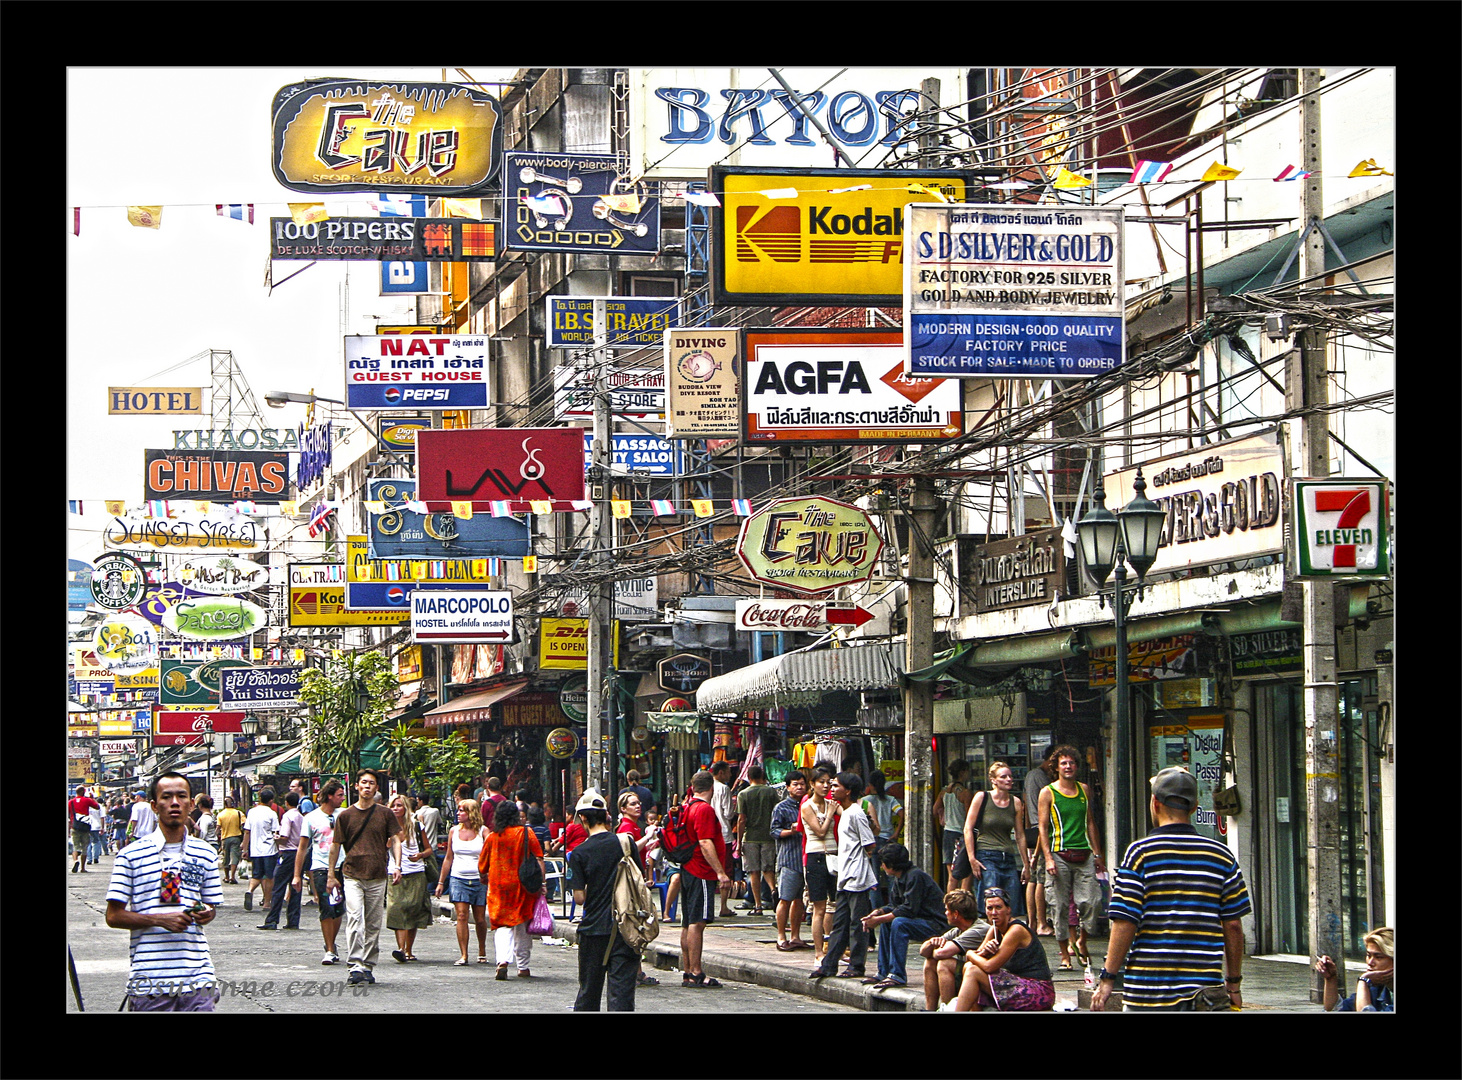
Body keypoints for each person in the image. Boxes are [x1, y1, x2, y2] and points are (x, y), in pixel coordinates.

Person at [1092, 766, 1251, 1012]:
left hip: (1148, 992)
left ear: (1154, 803)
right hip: (1204, 995)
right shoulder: (1221, 856)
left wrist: (1107, 978)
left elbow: (1125, 922)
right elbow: (1233, 925)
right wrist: (1233, 986)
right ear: (1195, 807)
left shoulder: (1140, 854)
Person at [104, 771, 223, 1011]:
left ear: (191, 804)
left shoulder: (205, 853)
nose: (175, 803)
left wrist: (206, 913)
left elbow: (211, 908)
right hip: (150, 981)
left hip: (197, 978)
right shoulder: (130, 855)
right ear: (154, 806)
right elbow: (113, 916)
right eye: (166, 797)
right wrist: (160, 919)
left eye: (181, 796)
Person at [327, 769, 403, 985]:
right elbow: (335, 846)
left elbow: (395, 840)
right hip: (352, 875)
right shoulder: (345, 815)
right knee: (354, 919)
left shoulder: (385, 814)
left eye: (371, 783)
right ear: (356, 787)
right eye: (364, 783)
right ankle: (355, 965)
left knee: (373, 923)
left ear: (376, 788)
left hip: (378, 875)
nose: (367, 786)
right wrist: (331, 875)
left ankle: (368, 965)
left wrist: (397, 865)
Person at [569, 790, 639, 1011]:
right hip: (625, 928)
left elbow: (579, 898)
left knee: (589, 992)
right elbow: (637, 881)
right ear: (606, 815)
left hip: (594, 931)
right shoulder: (626, 843)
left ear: (583, 818)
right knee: (621, 995)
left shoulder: (579, 853)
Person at [1037, 745, 1105, 971]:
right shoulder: (1048, 792)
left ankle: (1082, 941)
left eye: (1072, 763)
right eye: (1063, 763)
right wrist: (1047, 858)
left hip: (1084, 854)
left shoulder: (1084, 789)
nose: (1068, 767)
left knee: (1092, 901)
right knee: (1059, 905)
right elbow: (1043, 827)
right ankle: (1064, 954)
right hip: (1059, 854)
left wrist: (1097, 853)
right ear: (1056, 767)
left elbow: (1090, 822)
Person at [810, 771, 879, 981]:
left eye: (836, 786)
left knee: (857, 923)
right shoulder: (846, 812)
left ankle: (857, 965)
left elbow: (870, 844)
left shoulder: (856, 813)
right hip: (845, 876)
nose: (831, 789)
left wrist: (860, 866)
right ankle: (829, 964)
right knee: (840, 923)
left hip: (857, 877)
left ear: (847, 791)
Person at [861, 841, 947, 989]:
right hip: (919, 920)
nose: (882, 866)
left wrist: (879, 920)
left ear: (891, 865)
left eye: (883, 863)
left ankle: (897, 974)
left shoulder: (915, 876)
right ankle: (884, 971)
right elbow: (893, 906)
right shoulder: (899, 879)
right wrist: (878, 913)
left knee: (898, 923)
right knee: (889, 922)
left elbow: (908, 909)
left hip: (935, 924)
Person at [954, 886, 1055, 1011]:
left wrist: (969, 953)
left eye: (998, 907)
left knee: (973, 971)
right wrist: (984, 952)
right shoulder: (994, 929)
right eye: (990, 908)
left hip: (1038, 990)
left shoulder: (1016, 930)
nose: (994, 913)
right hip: (1015, 983)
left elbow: (989, 966)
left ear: (1008, 910)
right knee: (968, 967)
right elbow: (974, 961)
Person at [480, 797, 546, 979]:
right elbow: (539, 858)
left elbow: (482, 866)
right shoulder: (526, 833)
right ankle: (523, 967)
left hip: (498, 887)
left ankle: (502, 960)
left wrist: (484, 877)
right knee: (523, 924)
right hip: (523, 885)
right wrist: (542, 884)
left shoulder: (492, 838)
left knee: (502, 925)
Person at [678, 770, 731, 988]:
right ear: (712, 788)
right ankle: (696, 971)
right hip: (701, 870)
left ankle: (688, 970)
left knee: (688, 921)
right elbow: (705, 842)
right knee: (697, 922)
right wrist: (720, 872)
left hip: (689, 869)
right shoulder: (704, 810)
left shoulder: (687, 807)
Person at [966, 761, 1031, 918]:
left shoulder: (1015, 802)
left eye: (1010, 776)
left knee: (1012, 903)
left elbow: (1020, 834)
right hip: (987, 855)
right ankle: (988, 937)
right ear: (993, 780)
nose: (1009, 779)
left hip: (1007, 856)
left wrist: (1026, 864)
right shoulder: (982, 797)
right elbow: (968, 828)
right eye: (1004, 776)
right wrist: (972, 858)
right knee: (991, 900)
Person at [293, 779, 347, 965]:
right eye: (339, 795)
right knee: (326, 906)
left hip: (342, 866)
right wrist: (297, 874)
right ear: (330, 796)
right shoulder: (311, 818)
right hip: (320, 867)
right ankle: (330, 948)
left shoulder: (344, 815)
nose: (342, 798)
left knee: (339, 908)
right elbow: (302, 847)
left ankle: (331, 942)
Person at [434, 798, 489, 966]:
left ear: (471, 813)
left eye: (462, 811)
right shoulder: (453, 831)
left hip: (479, 879)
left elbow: (491, 855)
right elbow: (449, 858)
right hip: (459, 878)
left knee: (480, 918)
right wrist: (441, 882)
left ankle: (481, 949)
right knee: (462, 916)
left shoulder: (483, 832)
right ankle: (464, 954)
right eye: (458, 810)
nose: (458, 814)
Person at [615, 790, 660, 987]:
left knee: (637, 920)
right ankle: (635, 970)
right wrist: (648, 836)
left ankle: (637, 970)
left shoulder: (633, 826)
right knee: (635, 921)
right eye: (633, 804)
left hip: (637, 878)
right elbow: (628, 849)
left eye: (638, 803)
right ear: (623, 808)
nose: (638, 806)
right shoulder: (626, 827)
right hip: (630, 881)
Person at [919, 889, 989, 1012]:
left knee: (944, 963)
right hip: (967, 974)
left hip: (981, 979)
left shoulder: (978, 930)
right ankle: (930, 1010)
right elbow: (923, 952)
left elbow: (941, 953)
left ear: (956, 914)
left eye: (947, 910)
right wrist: (931, 942)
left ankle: (947, 1009)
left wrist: (935, 950)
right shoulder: (957, 930)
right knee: (930, 962)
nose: (945, 913)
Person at [800, 766, 840, 964]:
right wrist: (831, 813)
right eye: (821, 782)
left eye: (828, 782)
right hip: (816, 857)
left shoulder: (831, 803)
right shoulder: (807, 806)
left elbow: (849, 812)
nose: (826, 786)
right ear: (812, 784)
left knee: (835, 904)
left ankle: (835, 948)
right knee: (819, 907)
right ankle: (818, 953)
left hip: (834, 856)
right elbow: (820, 831)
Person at [386, 793, 432, 964]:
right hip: (394, 872)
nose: (396, 809)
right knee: (397, 909)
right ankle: (401, 949)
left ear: (405, 807)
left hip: (416, 872)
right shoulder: (386, 826)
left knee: (412, 910)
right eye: (393, 806)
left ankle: (408, 950)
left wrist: (420, 855)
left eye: (399, 805)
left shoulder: (416, 826)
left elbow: (428, 850)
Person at [770, 771, 811, 952]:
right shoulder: (781, 808)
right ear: (788, 787)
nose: (799, 787)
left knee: (799, 900)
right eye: (795, 784)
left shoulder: (809, 805)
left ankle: (795, 936)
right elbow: (774, 832)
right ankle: (781, 936)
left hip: (807, 858)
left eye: (802, 784)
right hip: (789, 858)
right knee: (785, 898)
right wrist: (792, 831)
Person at [735, 765, 779, 916]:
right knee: (768, 869)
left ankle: (758, 905)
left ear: (749, 777)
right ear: (762, 776)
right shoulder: (771, 792)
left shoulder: (743, 794)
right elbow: (776, 812)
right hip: (768, 837)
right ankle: (774, 890)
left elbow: (741, 819)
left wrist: (739, 842)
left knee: (753, 872)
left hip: (751, 837)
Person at [1316, 927, 1394, 1012]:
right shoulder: (1376, 988)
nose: (1370, 962)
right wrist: (1330, 979)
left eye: (1378, 957)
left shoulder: (1369, 984)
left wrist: (1363, 981)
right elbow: (1335, 1010)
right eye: (1368, 955)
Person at [1022, 752, 1057, 935]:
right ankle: (1041, 922)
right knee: (1040, 878)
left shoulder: (1030, 776)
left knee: (1033, 878)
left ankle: (1032, 921)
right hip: (1042, 829)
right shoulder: (1042, 779)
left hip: (1034, 827)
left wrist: (1026, 827)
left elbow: (1026, 801)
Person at [259, 791, 304, 931]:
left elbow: (285, 835)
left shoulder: (287, 816)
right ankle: (293, 920)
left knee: (278, 886)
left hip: (287, 853)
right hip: (299, 853)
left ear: (286, 802)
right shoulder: (301, 817)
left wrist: (276, 838)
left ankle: (272, 919)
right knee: (296, 887)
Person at [935, 760, 973, 889]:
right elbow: (970, 817)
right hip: (961, 834)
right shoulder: (965, 793)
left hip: (947, 833)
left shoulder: (944, 791)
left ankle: (950, 904)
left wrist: (943, 815)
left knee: (952, 875)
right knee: (966, 874)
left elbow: (935, 810)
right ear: (963, 772)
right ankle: (964, 902)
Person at [241, 787, 279, 914]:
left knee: (256, 874)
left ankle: (250, 890)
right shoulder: (272, 813)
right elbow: (276, 833)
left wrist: (245, 849)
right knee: (269, 876)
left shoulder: (251, 812)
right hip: (269, 849)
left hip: (255, 850)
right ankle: (267, 902)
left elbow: (247, 831)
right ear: (271, 800)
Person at [708, 760, 737, 917]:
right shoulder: (724, 788)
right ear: (720, 773)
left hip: (708, 833)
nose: (730, 775)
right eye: (728, 772)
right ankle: (723, 906)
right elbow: (727, 813)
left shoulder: (706, 786)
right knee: (725, 871)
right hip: (723, 833)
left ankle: (708, 906)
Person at [70, 785, 102, 872]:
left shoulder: (71, 802)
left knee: (75, 846)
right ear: (83, 792)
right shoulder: (87, 800)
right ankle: (83, 868)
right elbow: (97, 807)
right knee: (85, 847)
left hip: (75, 826)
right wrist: (92, 798)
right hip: (85, 827)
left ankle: (75, 860)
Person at [215, 796, 244, 885]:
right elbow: (244, 825)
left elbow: (218, 828)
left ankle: (226, 876)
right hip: (236, 837)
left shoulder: (221, 814)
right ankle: (232, 876)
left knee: (226, 857)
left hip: (225, 838)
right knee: (235, 856)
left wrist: (216, 837)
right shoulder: (239, 813)